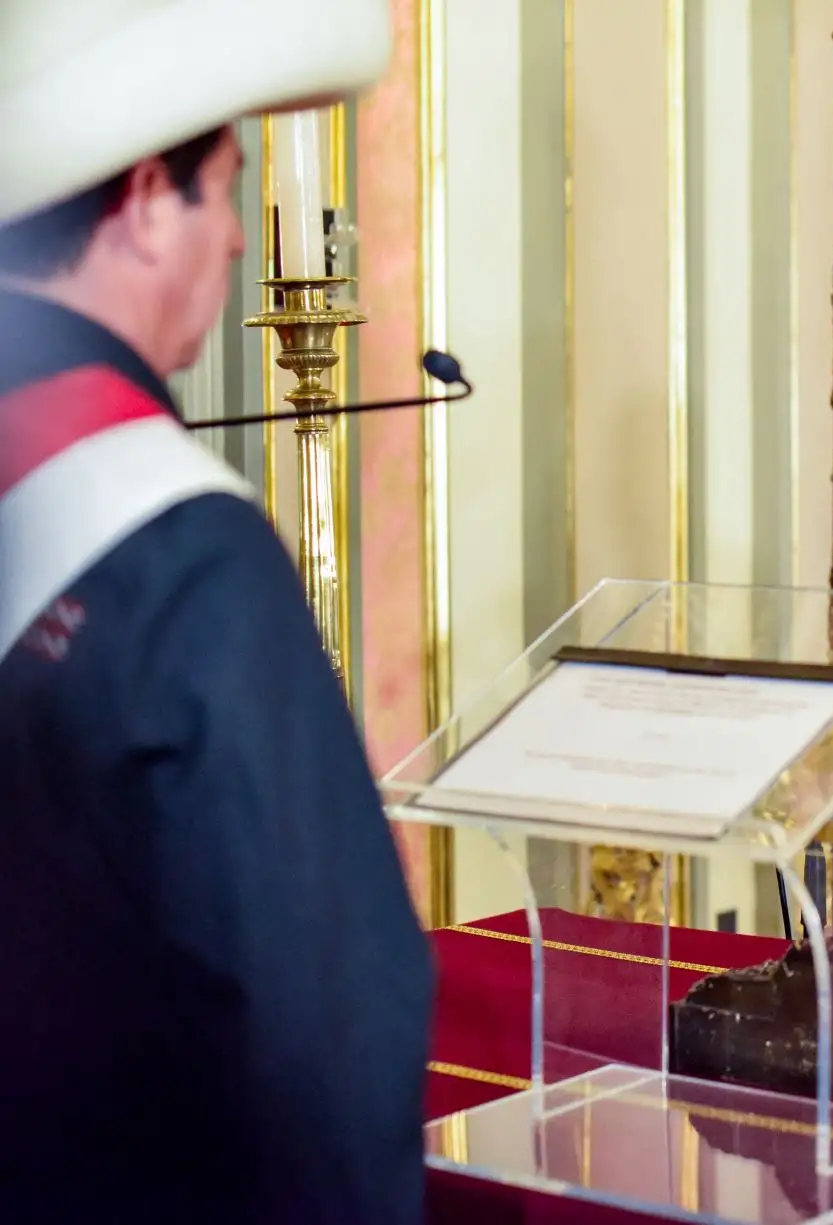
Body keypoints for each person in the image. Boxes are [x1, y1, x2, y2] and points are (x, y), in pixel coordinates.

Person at [0, 4, 433, 1222]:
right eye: (223, 191)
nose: (241, 240)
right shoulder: (185, 563)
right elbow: (327, 1035)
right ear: (144, 200)